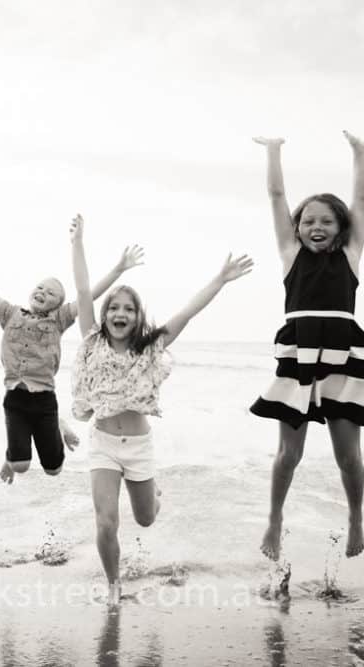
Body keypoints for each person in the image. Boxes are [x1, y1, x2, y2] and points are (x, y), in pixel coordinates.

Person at [70, 214, 252, 605]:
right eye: (114, 308)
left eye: (129, 309)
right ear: (105, 316)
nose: (120, 314)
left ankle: (154, 496)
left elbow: (188, 312)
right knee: (105, 520)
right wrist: (78, 242)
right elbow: (83, 291)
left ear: (138, 317)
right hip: (102, 442)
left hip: (138, 447)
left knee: (146, 519)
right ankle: (114, 587)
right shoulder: (92, 341)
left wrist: (219, 279)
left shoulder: (151, 347)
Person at [249, 131, 364, 561]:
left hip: (343, 357)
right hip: (298, 355)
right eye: (308, 221)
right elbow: (277, 194)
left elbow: (361, 202)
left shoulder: (351, 255)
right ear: (297, 228)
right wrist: (273, 151)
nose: (316, 227)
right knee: (289, 453)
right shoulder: (290, 253)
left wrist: (359, 154)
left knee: (348, 455)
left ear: (341, 228)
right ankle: (275, 519)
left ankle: (356, 516)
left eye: (326, 221)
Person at [0, 224, 144, 484]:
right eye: (40, 288)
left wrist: (118, 268)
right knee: (21, 465)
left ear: (57, 304)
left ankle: (59, 425)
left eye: (51, 293)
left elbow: (88, 295)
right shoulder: (9, 313)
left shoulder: (58, 320)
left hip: (45, 399)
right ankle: (13, 456)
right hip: (15, 396)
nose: (43, 293)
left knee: (53, 469)